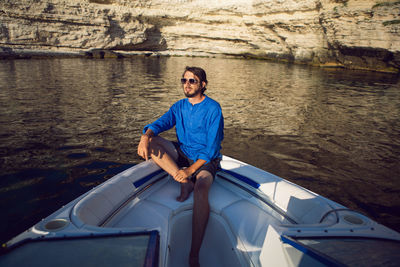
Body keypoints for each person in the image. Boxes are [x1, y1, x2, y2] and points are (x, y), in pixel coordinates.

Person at [137, 66, 224, 267]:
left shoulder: (213, 109)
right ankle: (184, 182)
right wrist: (145, 136)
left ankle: (194, 253)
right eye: (184, 80)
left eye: (192, 81)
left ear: (203, 85)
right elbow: (160, 123)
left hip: (205, 159)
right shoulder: (179, 106)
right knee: (153, 141)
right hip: (184, 153)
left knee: (202, 189)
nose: (187, 84)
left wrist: (191, 170)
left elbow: (211, 149)